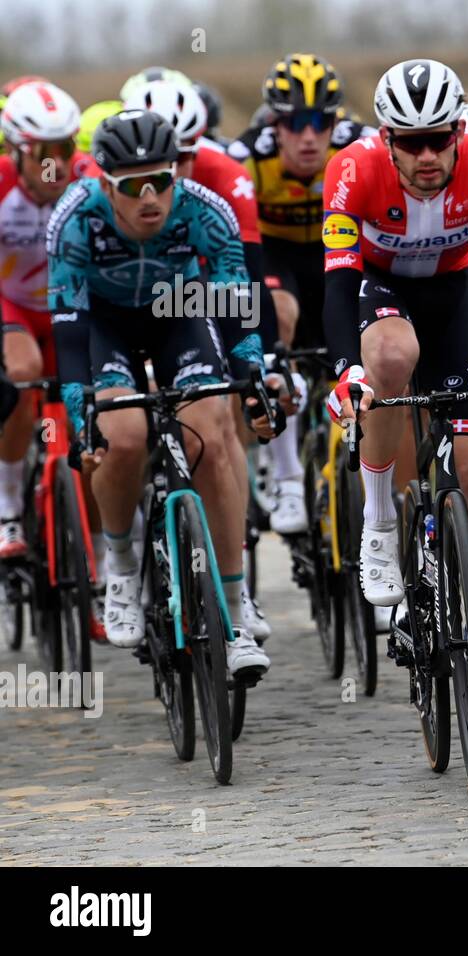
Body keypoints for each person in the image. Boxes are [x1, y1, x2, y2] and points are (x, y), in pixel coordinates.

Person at [322, 59, 468, 735]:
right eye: (410, 142)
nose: (426, 156)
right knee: (391, 360)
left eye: (438, 139)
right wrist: (345, 370)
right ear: (386, 138)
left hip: (457, 299)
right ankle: (379, 527)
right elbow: (337, 283)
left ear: (458, 131)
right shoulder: (353, 169)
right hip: (383, 293)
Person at [47, 109, 272, 678]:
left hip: (180, 312)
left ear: (177, 175)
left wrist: (250, 378)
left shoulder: (203, 209)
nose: (150, 197)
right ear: (104, 185)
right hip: (106, 324)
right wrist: (80, 408)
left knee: (214, 437)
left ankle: (235, 604)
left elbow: (234, 298)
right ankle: (120, 565)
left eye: (162, 181)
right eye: (132, 186)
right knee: (123, 437)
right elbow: (69, 327)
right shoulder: (75, 218)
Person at [124, 78, 293, 644]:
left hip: (201, 303)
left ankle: (235, 583)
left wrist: (261, 362)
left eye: (188, 156)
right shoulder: (109, 194)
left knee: (217, 428)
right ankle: (122, 561)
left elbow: (248, 284)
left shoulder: (221, 183)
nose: (179, 171)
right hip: (129, 311)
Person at [227, 53, 364, 534]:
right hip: (277, 258)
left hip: (333, 254)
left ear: (336, 121)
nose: (309, 136)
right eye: (294, 123)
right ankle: (285, 474)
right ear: (273, 123)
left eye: (320, 121)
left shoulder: (358, 145)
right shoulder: (247, 156)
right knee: (276, 310)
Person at [0, 82, 99, 562]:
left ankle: (101, 547)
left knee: (90, 406)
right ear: (19, 151)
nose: (58, 162)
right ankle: (8, 506)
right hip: (13, 308)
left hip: (69, 307)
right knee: (22, 372)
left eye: (66, 148)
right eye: (45, 152)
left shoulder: (88, 179)